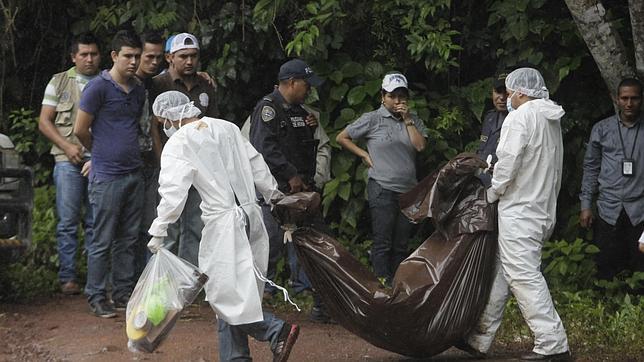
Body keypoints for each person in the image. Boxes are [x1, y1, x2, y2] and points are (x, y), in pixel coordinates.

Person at [147, 91, 299, 362]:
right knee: (239, 292)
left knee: (222, 296)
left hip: (224, 223)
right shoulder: (226, 127)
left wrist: (159, 229)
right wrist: (274, 197)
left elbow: (172, 193)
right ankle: (236, 357)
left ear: (165, 118)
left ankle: (275, 330)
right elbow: (257, 164)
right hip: (253, 216)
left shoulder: (179, 142)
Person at [461, 68, 571, 360]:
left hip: (520, 210)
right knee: (503, 271)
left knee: (523, 275)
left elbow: (507, 164)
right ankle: (479, 338)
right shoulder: (549, 118)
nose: (507, 98)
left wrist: (492, 192)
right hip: (542, 208)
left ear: (521, 92)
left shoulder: (519, 118)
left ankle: (552, 343)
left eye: (509, 93)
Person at [248, 59, 331, 322]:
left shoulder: (299, 111)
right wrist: (290, 174)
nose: (309, 90)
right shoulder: (268, 109)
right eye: (306, 85)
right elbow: (264, 147)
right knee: (268, 248)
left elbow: (305, 147)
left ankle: (322, 304)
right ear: (292, 83)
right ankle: (252, 304)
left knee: (316, 244)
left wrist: (309, 127)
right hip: (276, 193)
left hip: (302, 192)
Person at [74, 30, 145, 318]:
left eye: (136, 57)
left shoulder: (138, 89)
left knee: (128, 239)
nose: (133, 62)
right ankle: (96, 295)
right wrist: (99, 155)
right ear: (114, 56)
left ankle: (123, 292)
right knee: (101, 239)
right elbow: (80, 130)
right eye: (127, 56)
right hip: (107, 176)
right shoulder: (97, 88)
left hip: (133, 173)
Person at [336, 73, 427, 285]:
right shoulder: (372, 118)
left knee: (401, 243)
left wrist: (408, 120)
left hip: (408, 191)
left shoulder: (414, 120)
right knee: (383, 241)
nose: (397, 101)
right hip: (382, 187)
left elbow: (420, 146)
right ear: (383, 96)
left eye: (402, 96)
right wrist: (363, 154)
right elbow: (342, 137)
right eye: (393, 96)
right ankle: (380, 286)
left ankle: (398, 286)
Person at [38, 33, 101, 295]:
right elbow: (44, 121)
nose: (89, 59)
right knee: (67, 221)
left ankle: (95, 279)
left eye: (93, 54)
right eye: (83, 54)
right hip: (66, 160)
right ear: (73, 57)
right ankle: (67, 278)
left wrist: (97, 155)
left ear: (101, 55)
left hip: (99, 160)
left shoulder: (106, 81)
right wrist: (66, 147)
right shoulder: (59, 82)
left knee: (96, 221)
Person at [150, 32, 220, 266]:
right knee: (168, 226)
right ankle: (162, 282)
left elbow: (212, 126)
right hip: (169, 166)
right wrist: (161, 162)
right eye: (183, 56)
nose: (189, 61)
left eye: (193, 56)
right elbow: (152, 127)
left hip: (199, 166)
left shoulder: (206, 84)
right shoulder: (158, 84)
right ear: (169, 57)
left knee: (195, 226)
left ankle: (187, 281)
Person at [579, 78, 644, 282]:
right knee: (606, 265)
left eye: (634, 98)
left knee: (639, 268)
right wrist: (586, 205)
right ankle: (606, 307)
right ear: (616, 99)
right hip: (608, 207)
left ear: (641, 99)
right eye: (624, 98)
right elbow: (591, 168)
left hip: (640, 210)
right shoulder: (602, 129)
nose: (629, 103)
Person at [132, 32, 165, 278]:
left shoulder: (154, 84)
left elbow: (153, 125)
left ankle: (144, 280)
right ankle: (125, 283)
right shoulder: (121, 83)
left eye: (158, 57)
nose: (154, 62)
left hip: (149, 164)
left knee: (147, 226)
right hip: (124, 165)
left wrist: (159, 160)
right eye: (148, 57)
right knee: (126, 229)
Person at [476, 72, 508, 186]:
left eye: (507, 93)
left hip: (500, 186)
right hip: (480, 183)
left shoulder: (517, 121)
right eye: (498, 92)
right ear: (492, 92)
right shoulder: (489, 117)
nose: (502, 98)